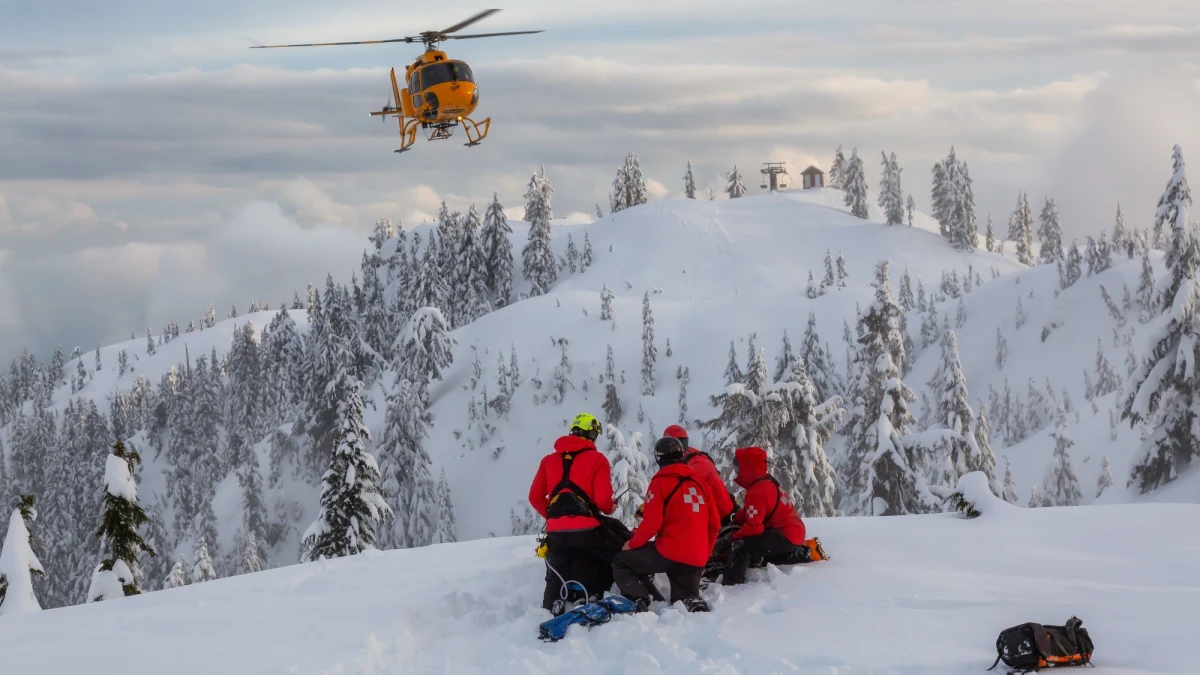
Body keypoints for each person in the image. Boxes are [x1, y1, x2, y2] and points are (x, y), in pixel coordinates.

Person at [611, 436, 720, 613]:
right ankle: (691, 603)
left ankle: (639, 600)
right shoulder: (701, 485)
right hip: (696, 557)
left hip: (670, 552)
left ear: (658, 458)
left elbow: (652, 523)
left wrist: (632, 544)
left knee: (621, 562)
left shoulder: (659, 483)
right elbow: (714, 524)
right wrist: (703, 556)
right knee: (682, 600)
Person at [529, 413, 618, 615]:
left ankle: (552, 603)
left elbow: (534, 497)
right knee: (607, 557)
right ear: (592, 434)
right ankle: (592, 593)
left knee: (557, 567)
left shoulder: (548, 461)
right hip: (588, 530)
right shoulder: (597, 460)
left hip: (555, 532)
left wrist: (555, 518)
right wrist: (610, 508)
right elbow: (603, 502)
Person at [721, 446, 825, 586]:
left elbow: (754, 528)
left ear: (748, 468)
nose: (736, 472)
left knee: (741, 547)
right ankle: (805, 552)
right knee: (758, 548)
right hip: (792, 532)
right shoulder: (765, 481)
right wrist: (736, 521)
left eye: (738, 468)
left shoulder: (756, 492)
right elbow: (752, 511)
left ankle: (732, 585)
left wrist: (730, 538)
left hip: (785, 535)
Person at [663, 425, 736, 524]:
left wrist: (656, 502)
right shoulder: (684, 458)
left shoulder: (698, 462)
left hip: (723, 519)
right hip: (710, 518)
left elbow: (680, 487)